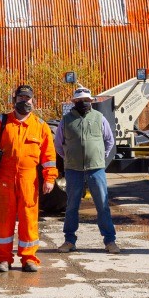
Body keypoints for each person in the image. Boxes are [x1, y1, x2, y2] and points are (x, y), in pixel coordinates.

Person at [0, 84, 58, 273]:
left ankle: (29, 258)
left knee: (29, 219)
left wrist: (50, 178)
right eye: (21, 98)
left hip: (29, 180)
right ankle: (3, 259)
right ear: (14, 100)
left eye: (27, 99)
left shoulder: (41, 126)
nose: (24, 102)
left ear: (33, 101)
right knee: (3, 220)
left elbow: (49, 157)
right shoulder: (2, 122)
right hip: (5, 179)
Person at [54, 86, 120, 254]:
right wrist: (68, 158)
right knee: (71, 206)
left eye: (86, 100)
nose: (83, 102)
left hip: (96, 169)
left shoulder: (99, 118)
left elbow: (109, 141)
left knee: (102, 205)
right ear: (74, 102)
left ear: (90, 101)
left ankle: (110, 241)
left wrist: (99, 157)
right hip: (73, 170)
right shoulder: (66, 120)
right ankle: (69, 241)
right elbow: (58, 145)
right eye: (79, 100)